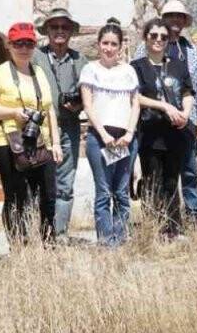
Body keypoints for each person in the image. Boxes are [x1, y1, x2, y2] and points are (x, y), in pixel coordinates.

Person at [0, 22, 63, 244]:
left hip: (39, 142)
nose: (24, 48)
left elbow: (49, 108)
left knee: (47, 196)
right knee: (16, 196)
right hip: (8, 143)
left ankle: (48, 241)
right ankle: (18, 243)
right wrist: (13, 112)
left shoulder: (39, 72)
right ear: (9, 45)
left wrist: (56, 143)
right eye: (18, 43)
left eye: (29, 43)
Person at [132, 0, 197, 222]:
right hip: (152, 125)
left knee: (185, 172)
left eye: (179, 16)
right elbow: (136, 91)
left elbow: (195, 87)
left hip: (183, 123)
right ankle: (155, 224)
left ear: (184, 21)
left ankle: (188, 218)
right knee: (154, 177)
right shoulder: (140, 56)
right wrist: (165, 107)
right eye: (171, 15)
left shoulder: (189, 50)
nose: (158, 40)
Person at [80, 18, 141, 247]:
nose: (108, 48)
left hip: (125, 139)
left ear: (120, 46)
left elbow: (135, 103)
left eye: (113, 44)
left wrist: (129, 134)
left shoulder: (128, 71)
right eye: (104, 43)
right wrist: (104, 135)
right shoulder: (90, 70)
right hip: (101, 138)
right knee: (104, 191)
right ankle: (106, 241)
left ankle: (121, 237)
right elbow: (88, 105)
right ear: (98, 45)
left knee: (122, 191)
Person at [32, 8, 87, 237]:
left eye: (65, 27)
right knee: (40, 181)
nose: (60, 31)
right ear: (47, 31)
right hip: (41, 129)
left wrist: (80, 105)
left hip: (70, 127)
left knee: (65, 181)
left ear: (71, 32)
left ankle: (60, 233)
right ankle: (42, 231)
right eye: (54, 27)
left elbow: (88, 92)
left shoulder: (80, 60)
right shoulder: (36, 56)